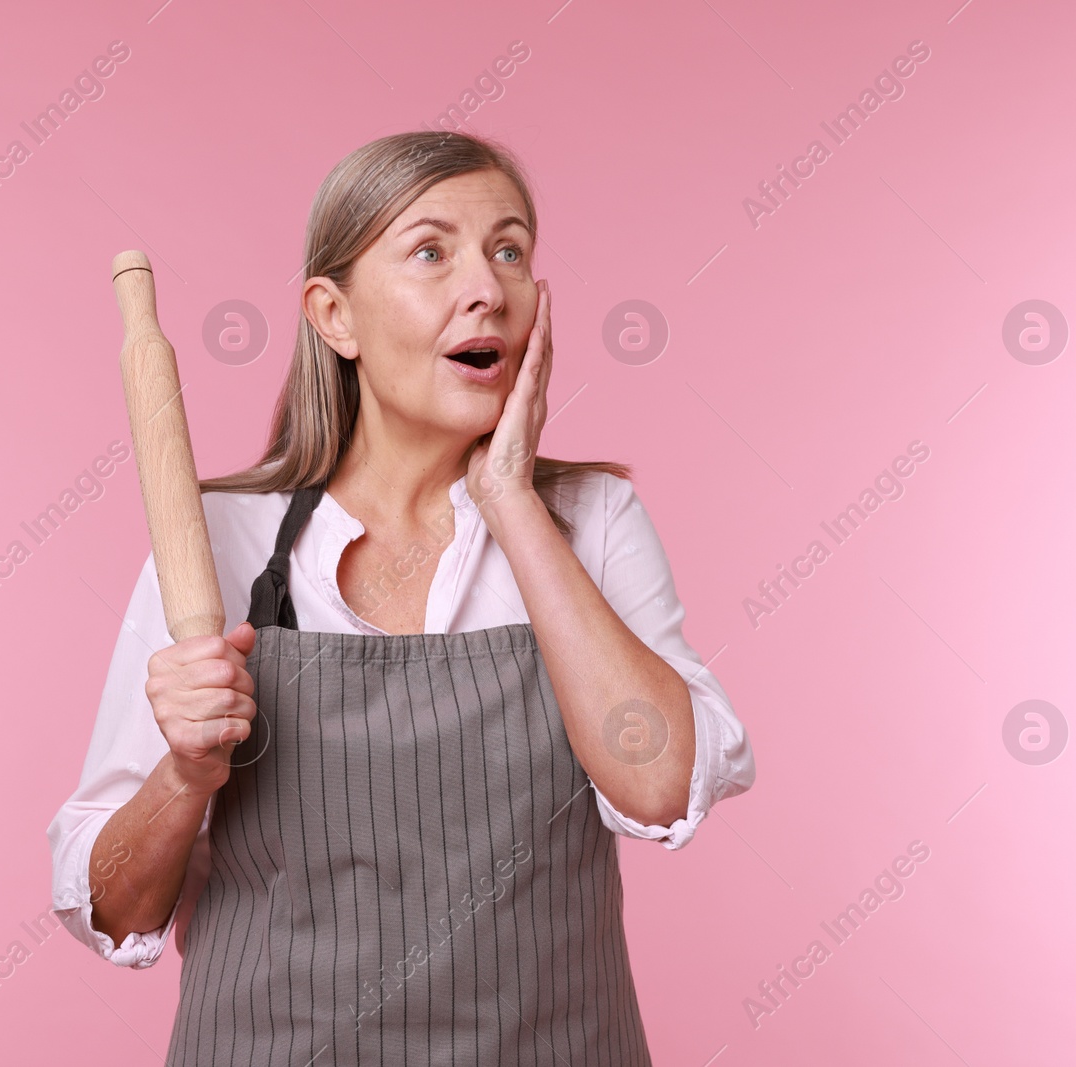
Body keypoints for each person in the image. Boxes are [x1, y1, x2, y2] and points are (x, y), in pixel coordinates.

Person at [47, 129, 756, 1065]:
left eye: (510, 249)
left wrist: (512, 503)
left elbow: (662, 785)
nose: (488, 286)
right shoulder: (219, 544)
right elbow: (110, 906)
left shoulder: (592, 522)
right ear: (333, 315)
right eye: (432, 251)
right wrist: (184, 773)